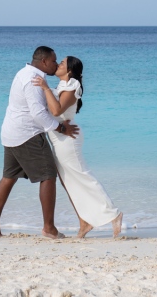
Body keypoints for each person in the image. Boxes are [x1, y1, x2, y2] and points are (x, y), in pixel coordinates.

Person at [0, 46, 80, 239]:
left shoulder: (25, 72)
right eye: (54, 61)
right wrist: (62, 128)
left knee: (9, 177)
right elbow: (38, 114)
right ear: (44, 61)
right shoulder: (33, 80)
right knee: (48, 175)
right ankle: (49, 228)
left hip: (11, 132)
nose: (55, 64)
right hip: (27, 134)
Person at [33, 56, 123, 238]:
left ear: (70, 70)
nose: (58, 64)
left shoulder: (72, 85)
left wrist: (44, 88)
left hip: (67, 139)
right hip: (58, 137)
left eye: (63, 63)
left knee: (82, 176)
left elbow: (57, 110)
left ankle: (114, 214)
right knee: (69, 182)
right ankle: (84, 222)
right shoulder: (60, 87)